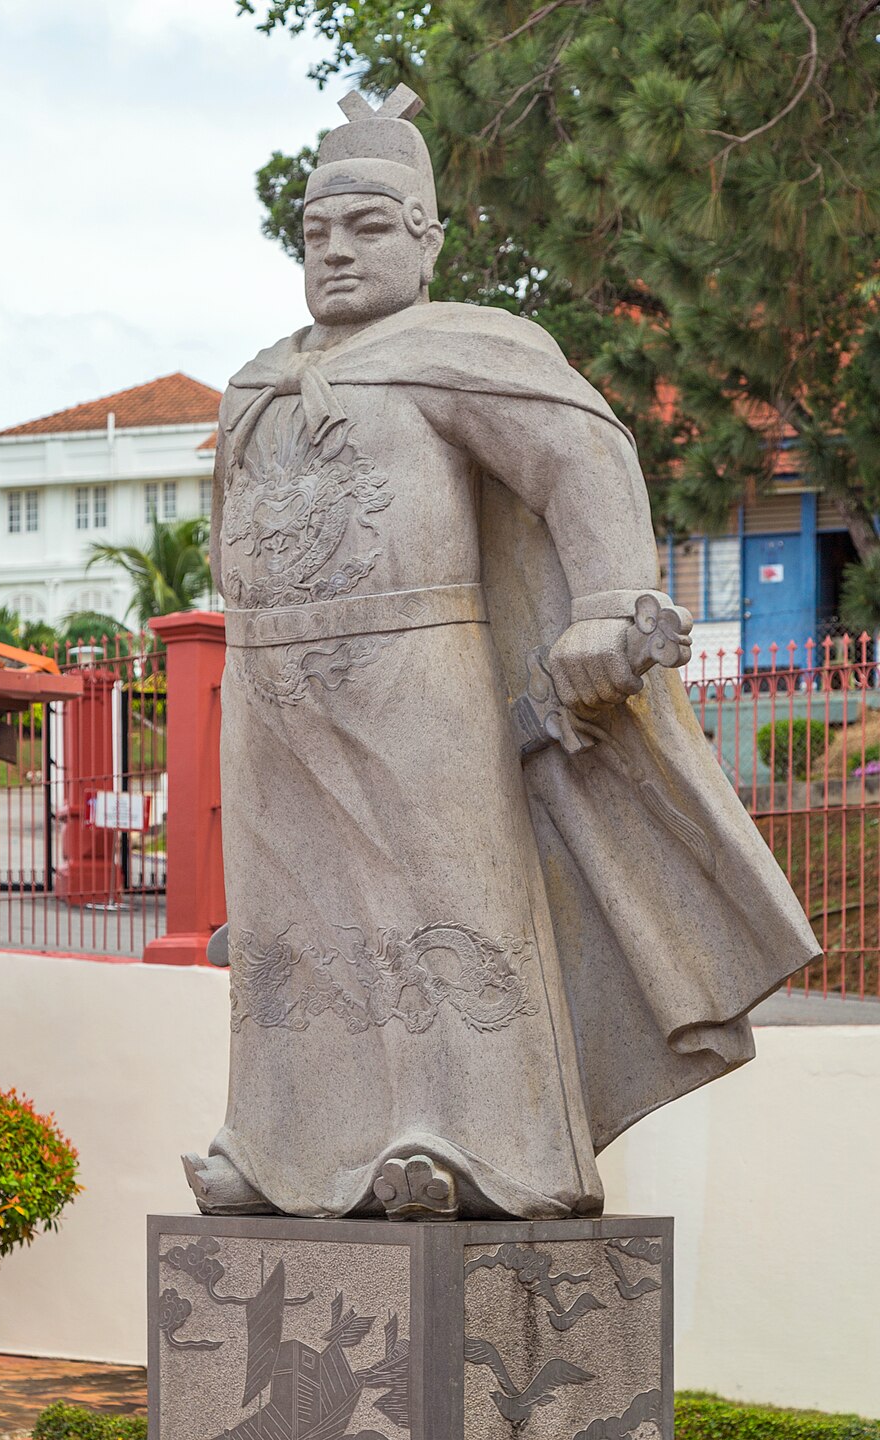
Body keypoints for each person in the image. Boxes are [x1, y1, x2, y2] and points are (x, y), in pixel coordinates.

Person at [183, 85, 818, 1221]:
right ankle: (280, 1151)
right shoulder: (255, 384)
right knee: (294, 919)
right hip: (272, 690)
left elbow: (582, 453)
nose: (336, 252)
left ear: (427, 240)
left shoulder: (463, 347)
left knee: (448, 900)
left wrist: (608, 606)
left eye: (368, 227)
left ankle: (483, 1147)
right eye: (315, 234)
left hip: (423, 682)